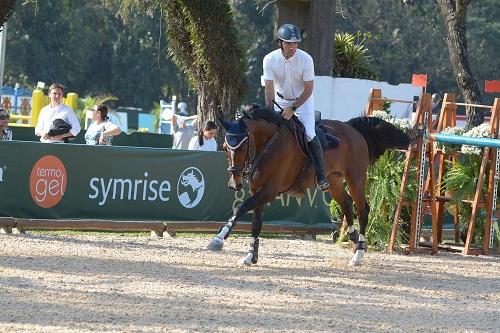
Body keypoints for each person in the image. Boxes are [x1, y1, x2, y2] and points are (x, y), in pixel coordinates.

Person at [262, 23, 330, 191]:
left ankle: (321, 177)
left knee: (309, 133)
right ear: (280, 43)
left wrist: (292, 109)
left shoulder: (306, 59)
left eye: (295, 43)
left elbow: (308, 90)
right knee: (268, 131)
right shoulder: (269, 59)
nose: (292, 47)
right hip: (280, 100)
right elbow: (269, 90)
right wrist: (269, 114)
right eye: (288, 43)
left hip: (303, 101)